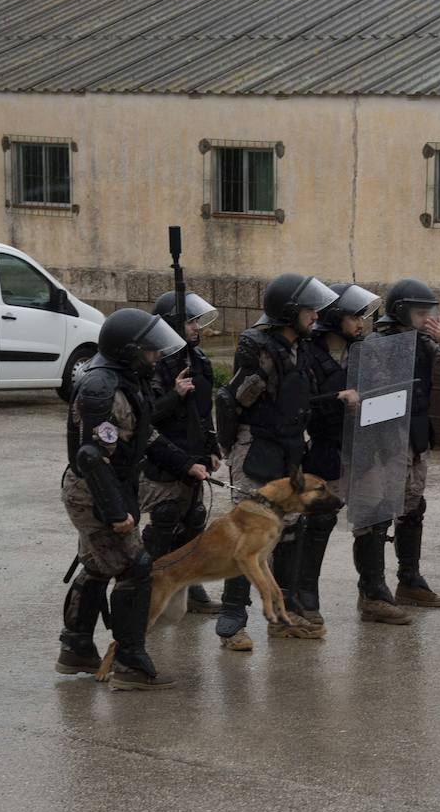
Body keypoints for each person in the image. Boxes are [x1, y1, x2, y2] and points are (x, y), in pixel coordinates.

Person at [57, 308, 209, 691]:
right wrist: (115, 512)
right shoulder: (102, 389)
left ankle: (75, 647)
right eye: (148, 350)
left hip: (110, 484)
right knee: (135, 566)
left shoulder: (129, 381)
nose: (155, 356)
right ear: (127, 351)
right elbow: (91, 457)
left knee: (96, 564)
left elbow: (145, 437)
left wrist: (186, 464)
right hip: (93, 490)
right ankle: (129, 663)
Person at [213, 272, 338, 650]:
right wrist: (230, 447)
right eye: (308, 310)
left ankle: (284, 613)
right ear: (288, 313)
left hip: (290, 449)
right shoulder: (260, 348)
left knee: (291, 531)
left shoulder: (300, 346)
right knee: (250, 537)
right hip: (258, 450)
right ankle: (232, 620)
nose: (315, 316)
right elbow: (230, 401)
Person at [301, 283, 413, 625]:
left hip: (365, 449)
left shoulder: (366, 352)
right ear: (335, 317)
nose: (361, 324)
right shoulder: (308, 354)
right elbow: (299, 404)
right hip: (328, 449)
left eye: (364, 317)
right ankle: (304, 597)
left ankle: (374, 594)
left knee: (376, 515)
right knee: (319, 521)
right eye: (354, 317)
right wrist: (337, 397)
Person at [141, 290, 222, 617]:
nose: (195, 327)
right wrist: (174, 394)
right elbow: (144, 417)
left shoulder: (198, 360)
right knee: (165, 521)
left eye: (196, 321)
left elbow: (204, 412)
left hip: (194, 456)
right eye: (189, 321)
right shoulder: (155, 363)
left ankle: (188, 584)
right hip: (165, 458)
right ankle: (147, 586)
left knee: (193, 522)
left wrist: (212, 447)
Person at [371, 278, 440, 607]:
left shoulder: (425, 343)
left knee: (413, 506)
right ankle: (374, 588)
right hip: (387, 440)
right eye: (420, 313)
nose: (426, 319)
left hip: (416, 436)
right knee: (379, 511)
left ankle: (410, 579)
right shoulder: (378, 343)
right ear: (402, 312)